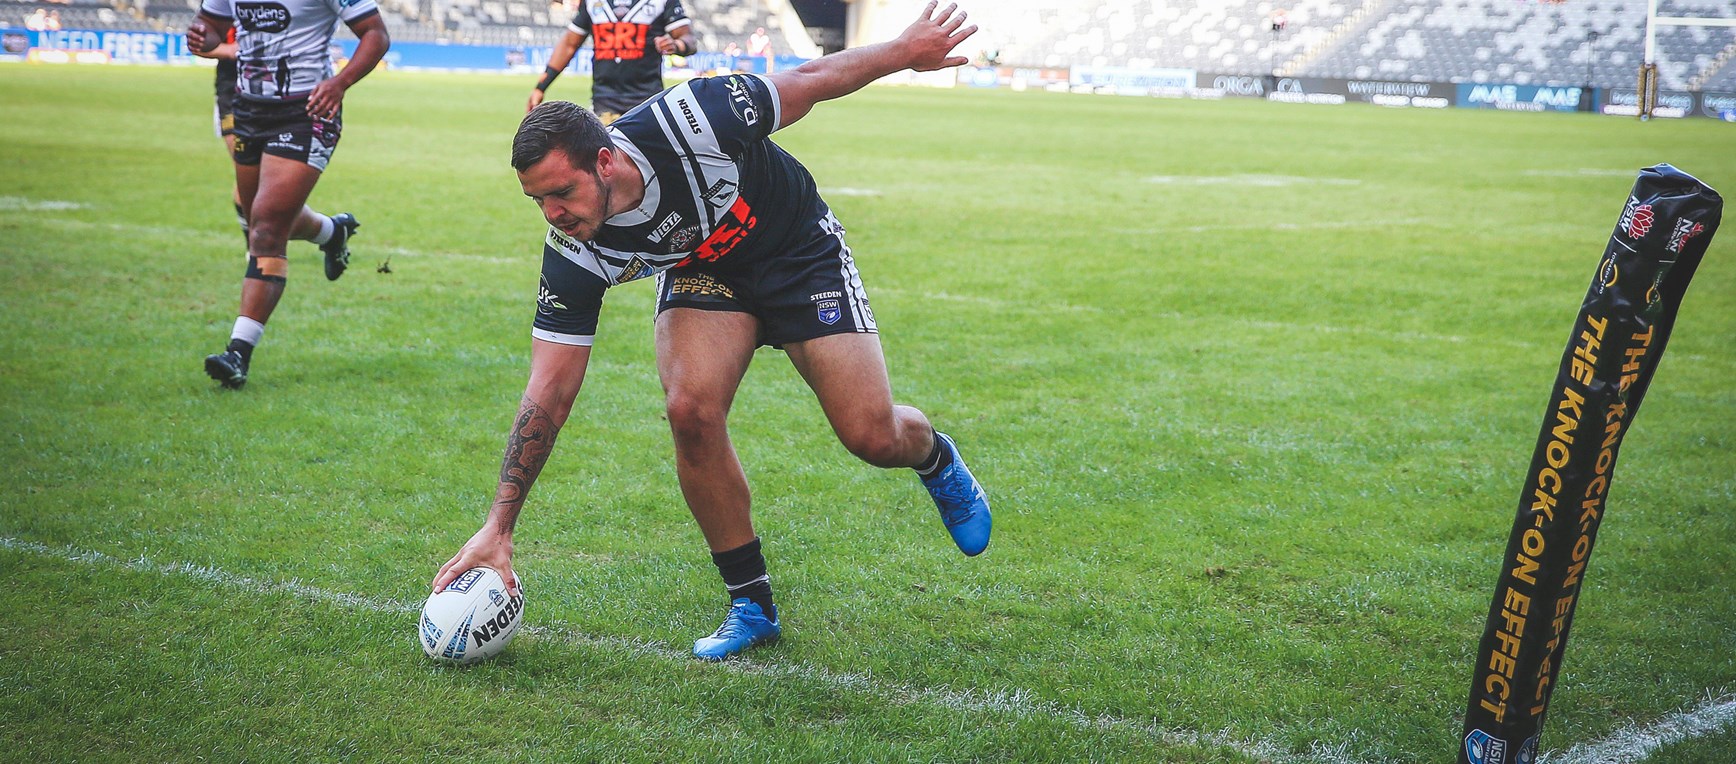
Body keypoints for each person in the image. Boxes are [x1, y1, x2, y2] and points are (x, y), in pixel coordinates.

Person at [434, 2, 988, 662]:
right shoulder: (574, 249)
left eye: (562, 194)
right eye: (538, 202)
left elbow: (811, 79)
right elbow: (548, 390)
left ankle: (934, 455)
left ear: (605, 163)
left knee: (870, 433)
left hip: (796, 251)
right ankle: (751, 602)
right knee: (690, 409)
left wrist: (904, 51)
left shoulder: (695, 118)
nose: (554, 216)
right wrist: (500, 525)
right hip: (706, 275)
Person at [187, 0, 390, 388]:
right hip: (248, 107)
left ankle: (237, 353)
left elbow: (376, 34)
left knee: (264, 231)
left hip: (307, 111)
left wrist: (339, 83)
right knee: (259, 217)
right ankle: (332, 233)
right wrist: (202, 35)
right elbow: (210, 26)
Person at [527, 0, 695, 123]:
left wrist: (676, 45)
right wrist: (541, 87)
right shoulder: (593, 3)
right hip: (605, 101)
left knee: (649, 166)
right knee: (604, 164)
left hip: (648, 101)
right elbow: (569, 44)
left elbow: (688, 40)